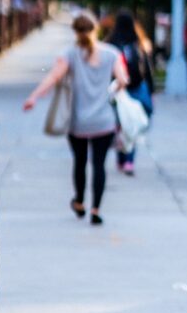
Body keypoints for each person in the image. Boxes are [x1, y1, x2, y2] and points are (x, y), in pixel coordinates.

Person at [23, 12, 129, 225]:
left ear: (76, 32)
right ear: (95, 29)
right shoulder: (112, 54)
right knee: (99, 165)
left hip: (78, 122)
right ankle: (96, 209)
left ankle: (80, 202)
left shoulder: (69, 54)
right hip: (104, 121)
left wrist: (33, 97)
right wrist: (111, 91)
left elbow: (53, 77)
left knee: (80, 163)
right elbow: (123, 79)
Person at [106, 12, 155, 176]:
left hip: (117, 89)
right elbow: (147, 70)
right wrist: (151, 91)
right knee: (131, 124)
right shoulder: (139, 44)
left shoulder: (110, 44)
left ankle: (121, 158)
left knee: (120, 124)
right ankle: (129, 160)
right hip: (136, 87)